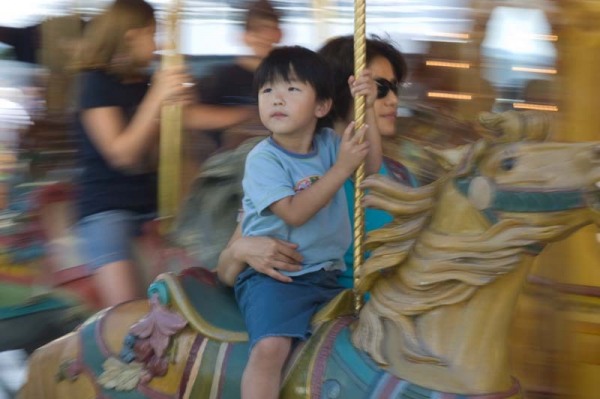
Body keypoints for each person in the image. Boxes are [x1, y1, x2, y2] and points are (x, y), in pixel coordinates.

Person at [72, 0, 253, 308]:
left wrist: (254, 114)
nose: (156, 44)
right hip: (108, 208)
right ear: (130, 36)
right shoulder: (97, 83)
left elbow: (191, 116)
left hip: (155, 204)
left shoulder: (145, 83)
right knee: (126, 308)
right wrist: (157, 97)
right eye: (151, 34)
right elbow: (123, 154)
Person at [235, 46, 381, 399]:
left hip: (325, 273)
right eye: (267, 90)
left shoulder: (329, 144)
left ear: (322, 106)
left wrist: (370, 109)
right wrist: (341, 169)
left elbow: (371, 166)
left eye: (292, 89)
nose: (277, 99)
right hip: (276, 279)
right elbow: (294, 212)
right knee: (270, 349)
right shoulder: (264, 159)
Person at [216, 35, 412, 289]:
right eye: (380, 88)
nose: (393, 100)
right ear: (342, 91)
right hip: (326, 304)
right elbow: (225, 272)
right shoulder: (287, 168)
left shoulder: (402, 175)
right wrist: (241, 250)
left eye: (394, 89)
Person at [196, 0, 282, 155]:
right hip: (232, 160)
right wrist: (247, 115)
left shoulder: (288, 77)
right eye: (257, 30)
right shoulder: (222, 77)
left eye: (270, 29)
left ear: (279, 34)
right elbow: (190, 116)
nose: (264, 36)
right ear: (245, 36)